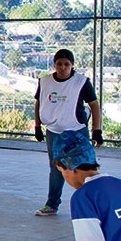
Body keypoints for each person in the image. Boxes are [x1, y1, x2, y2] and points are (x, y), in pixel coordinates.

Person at [33, 49, 102, 215]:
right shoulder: (45, 82)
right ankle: (52, 204)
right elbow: (38, 102)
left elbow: (94, 105)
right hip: (54, 131)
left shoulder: (81, 82)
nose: (63, 67)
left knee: (85, 168)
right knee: (56, 168)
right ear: (54, 65)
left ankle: (94, 205)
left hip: (77, 130)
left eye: (66, 64)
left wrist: (96, 130)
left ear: (72, 65)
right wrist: (37, 125)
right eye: (59, 64)